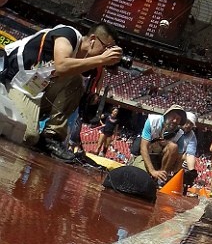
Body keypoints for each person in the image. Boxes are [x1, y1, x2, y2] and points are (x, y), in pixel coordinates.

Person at [1, 22, 122, 161]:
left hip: (36, 90)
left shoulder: (87, 60)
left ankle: (52, 136)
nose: (107, 52)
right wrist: (101, 59)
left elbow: (80, 88)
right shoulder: (68, 34)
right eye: (106, 47)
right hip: (15, 82)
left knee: (76, 81)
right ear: (93, 39)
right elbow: (61, 66)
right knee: (29, 136)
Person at [130, 104, 189, 183]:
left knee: (173, 147)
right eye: (173, 117)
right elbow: (144, 148)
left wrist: (174, 173)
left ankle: (161, 178)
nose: (175, 121)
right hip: (145, 157)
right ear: (167, 115)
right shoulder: (152, 121)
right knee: (142, 178)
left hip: (162, 162)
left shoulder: (180, 134)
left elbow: (179, 159)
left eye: (178, 119)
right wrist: (152, 171)